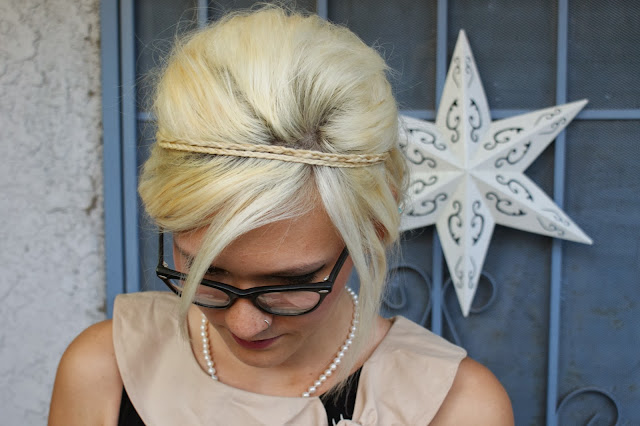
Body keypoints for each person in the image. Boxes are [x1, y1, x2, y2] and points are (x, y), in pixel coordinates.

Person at [49, 6, 513, 425]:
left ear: (372, 231)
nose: (244, 324)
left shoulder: (457, 408)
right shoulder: (104, 370)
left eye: (289, 283)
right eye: (204, 272)